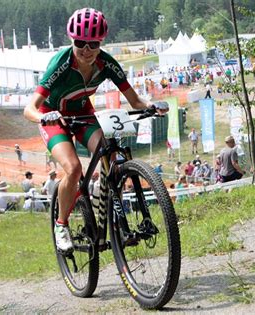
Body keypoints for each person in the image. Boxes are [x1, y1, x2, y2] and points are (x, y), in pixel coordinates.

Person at [23, 7, 167, 251]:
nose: (87, 50)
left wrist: (152, 106)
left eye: (93, 44)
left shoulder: (106, 63)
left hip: (82, 113)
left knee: (109, 152)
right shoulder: (61, 63)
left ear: (101, 43)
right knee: (74, 168)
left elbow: (134, 101)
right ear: (72, 40)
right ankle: (61, 224)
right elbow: (29, 108)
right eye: (81, 43)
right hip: (53, 117)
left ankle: (110, 210)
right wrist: (43, 118)